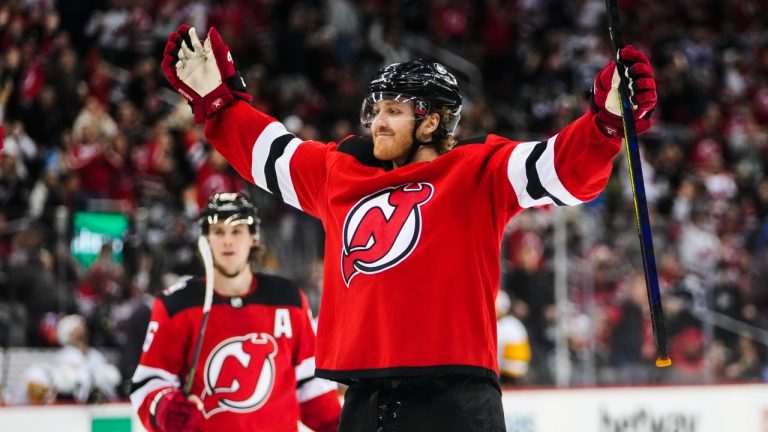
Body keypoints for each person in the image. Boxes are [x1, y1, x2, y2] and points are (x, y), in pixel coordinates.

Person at [161, 25, 657, 431]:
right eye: (375, 110)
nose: (378, 122)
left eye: (393, 111)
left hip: (456, 403)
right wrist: (218, 104)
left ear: (432, 122)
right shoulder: (340, 171)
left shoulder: (476, 171)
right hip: (363, 401)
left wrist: (607, 122)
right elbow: (270, 153)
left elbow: (559, 169)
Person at [129, 192, 341, 432]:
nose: (227, 241)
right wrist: (166, 408)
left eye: (237, 231)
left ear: (253, 238)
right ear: (206, 240)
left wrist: (342, 425)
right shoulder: (177, 304)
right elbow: (147, 383)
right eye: (218, 232)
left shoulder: (288, 299)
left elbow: (310, 387)